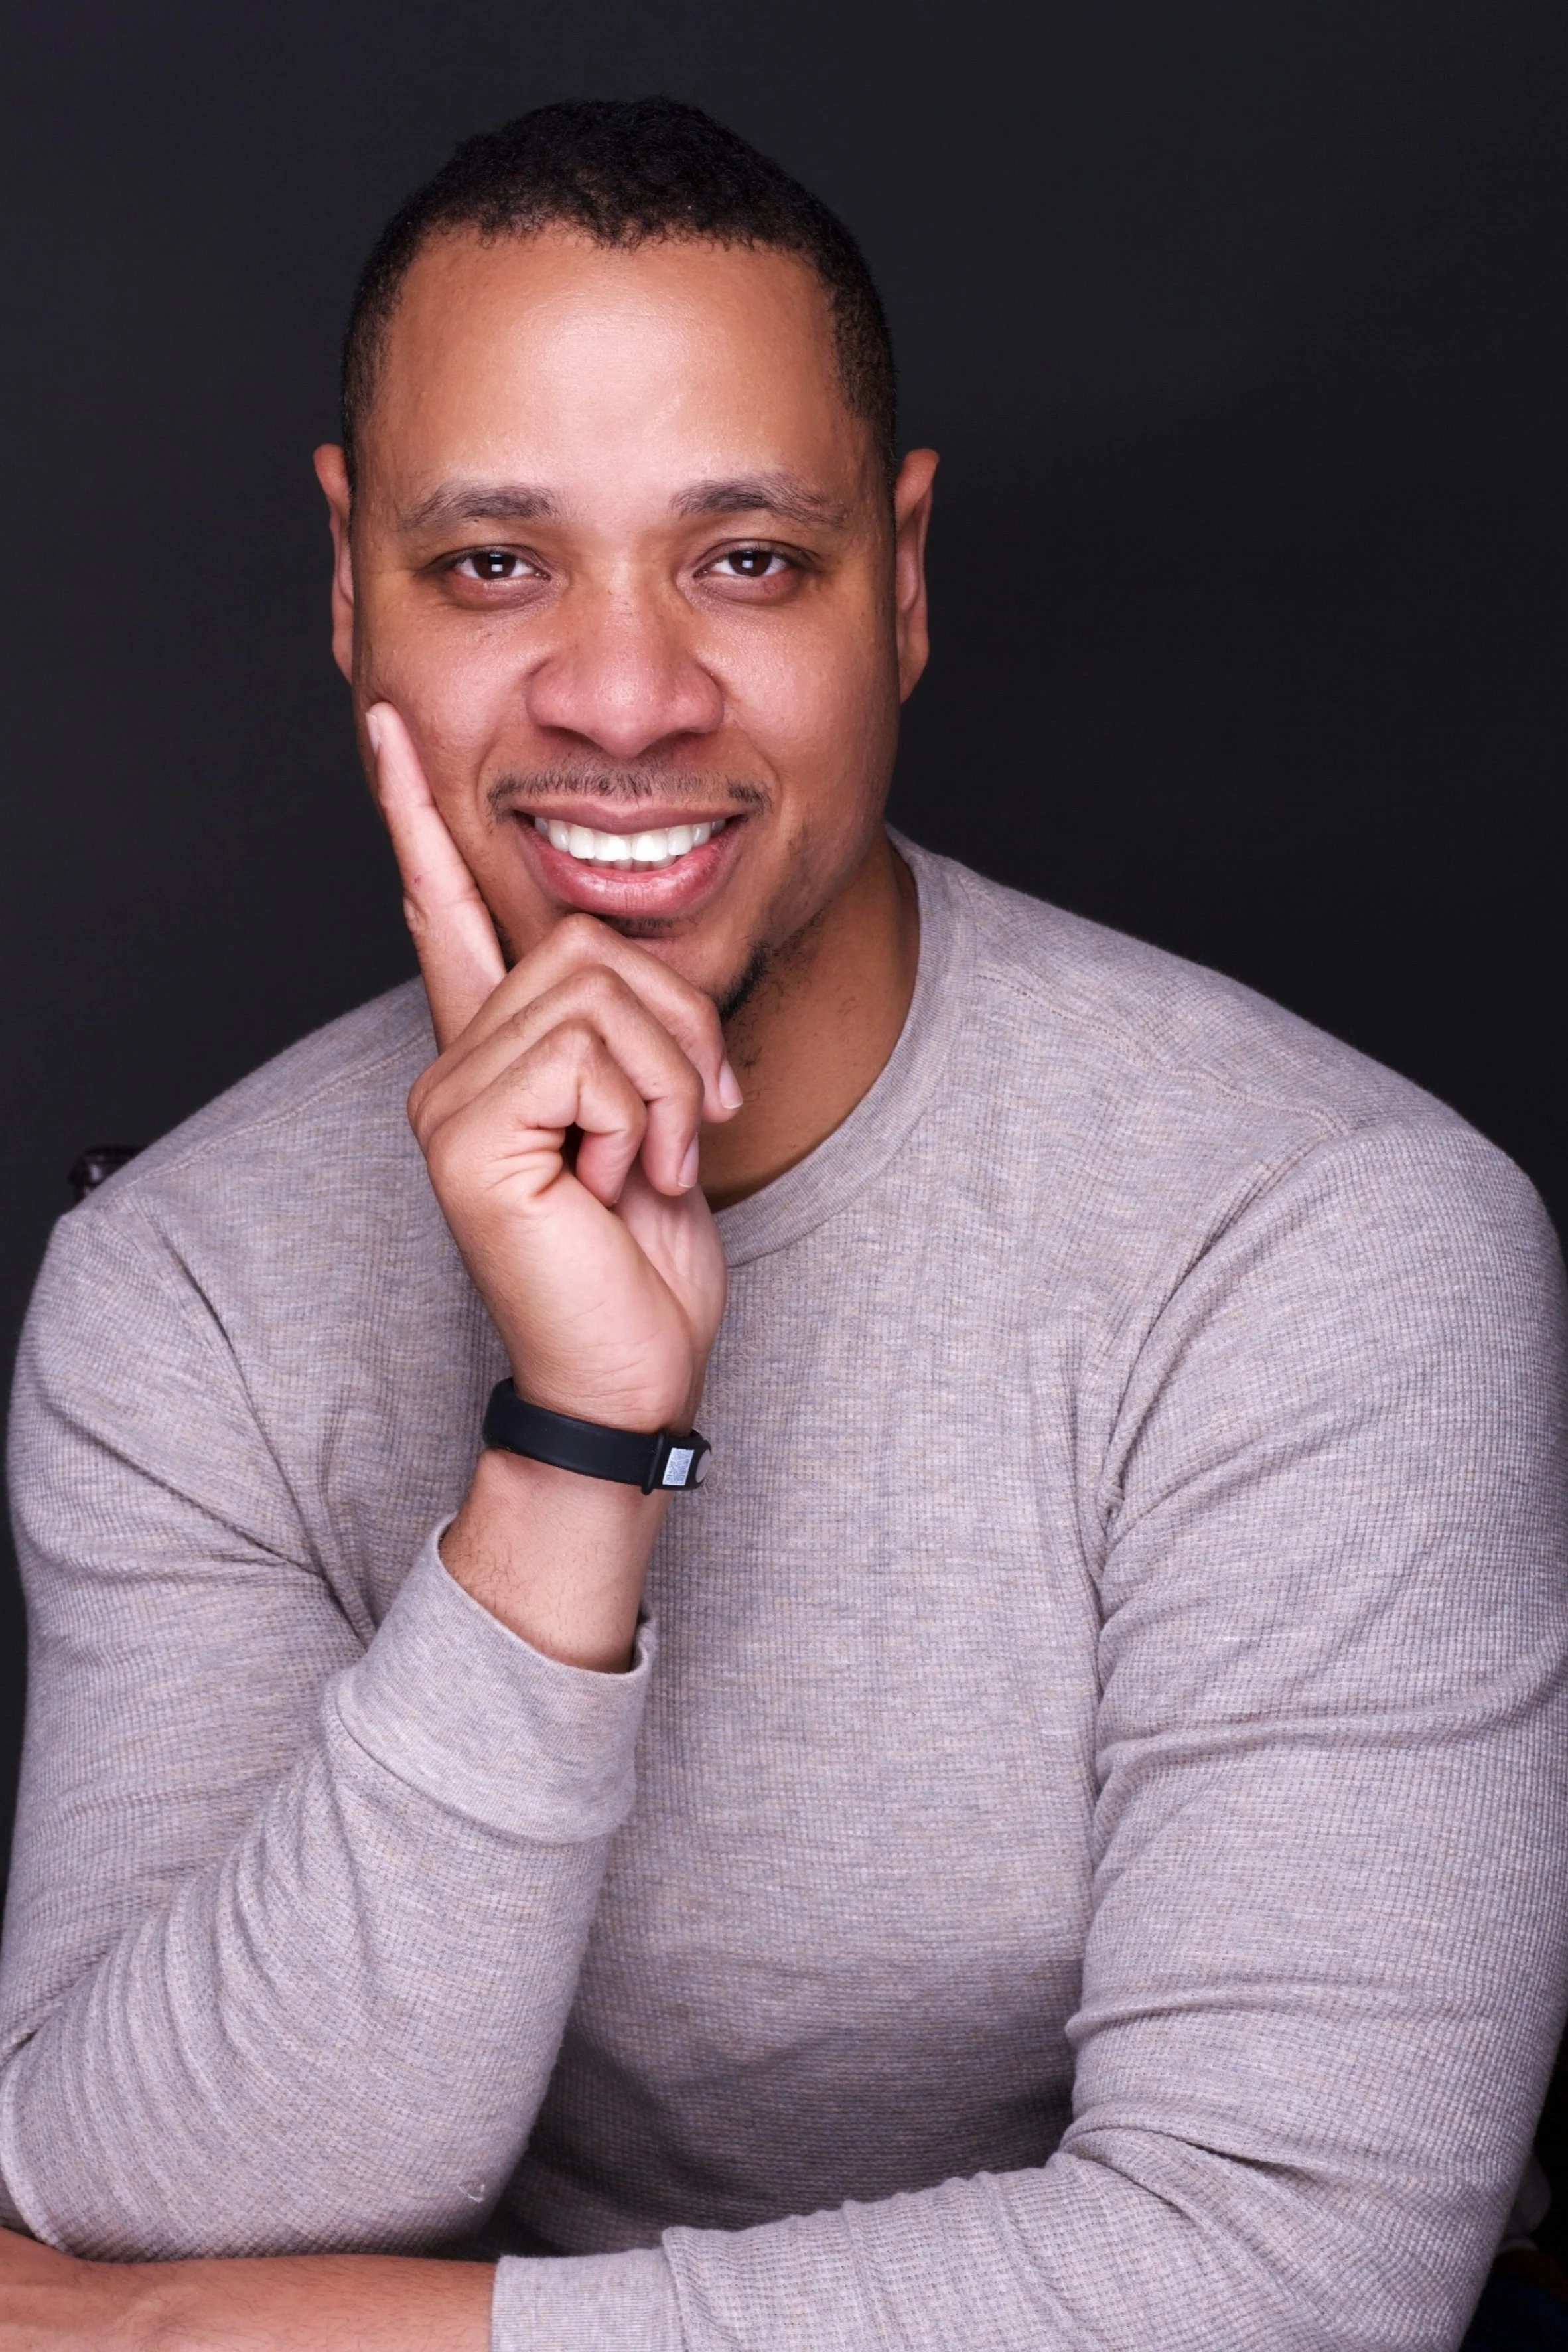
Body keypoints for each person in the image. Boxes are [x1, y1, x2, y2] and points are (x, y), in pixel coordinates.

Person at [0, 94, 1564, 2352]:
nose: (624, 699)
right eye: (492, 563)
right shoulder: (183, 1296)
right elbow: (150, 2191)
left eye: (744, 558)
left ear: (901, 580)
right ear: (347, 578)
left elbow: (1294, 2272)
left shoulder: (1327, 1243)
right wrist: (577, 1439)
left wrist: (273, 2339)